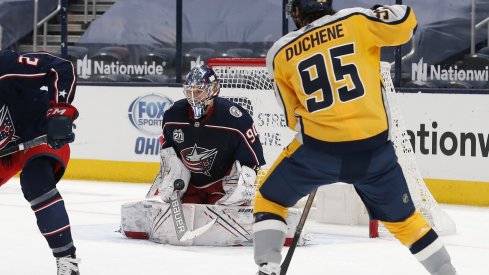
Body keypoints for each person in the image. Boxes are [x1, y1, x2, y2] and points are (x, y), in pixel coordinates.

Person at [253, 1, 457, 275]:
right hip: (373, 153)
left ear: (297, 12)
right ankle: (446, 272)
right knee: (405, 221)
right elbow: (406, 23)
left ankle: (268, 266)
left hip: (317, 153)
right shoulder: (356, 21)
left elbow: (293, 118)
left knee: (270, 199)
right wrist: (379, 9)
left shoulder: (280, 53)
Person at [0, 50, 80, 275]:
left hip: (37, 134)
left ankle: (67, 263)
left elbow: (60, 67)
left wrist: (60, 111)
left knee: (36, 182)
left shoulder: (5, 65)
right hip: (3, 152)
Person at [153, 64, 265, 207]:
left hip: (223, 186)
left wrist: (246, 182)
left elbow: (253, 158)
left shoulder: (235, 118)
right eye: (189, 91)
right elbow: (169, 151)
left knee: (226, 214)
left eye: (199, 90)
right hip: (190, 186)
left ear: (214, 90)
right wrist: (171, 174)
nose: (193, 96)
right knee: (186, 209)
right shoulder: (173, 114)